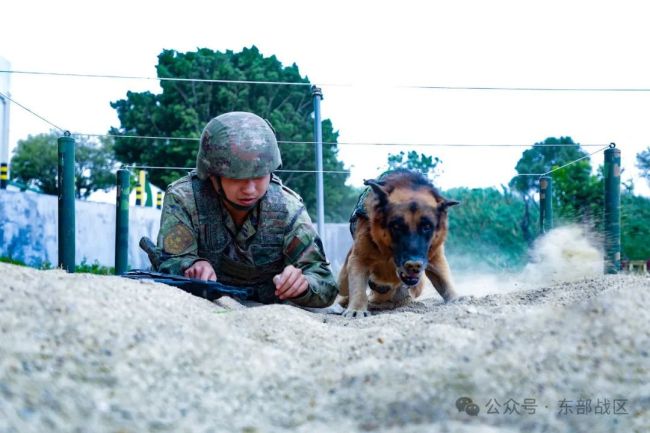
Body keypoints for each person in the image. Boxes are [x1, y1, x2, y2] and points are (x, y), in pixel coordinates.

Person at [154, 111, 338, 307]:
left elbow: (324, 282)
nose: (250, 189)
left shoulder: (288, 208)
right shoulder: (185, 199)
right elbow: (167, 261)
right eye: (237, 178)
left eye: (259, 176)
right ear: (212, 175)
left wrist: (303, 285)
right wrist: (190, 265)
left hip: (269, 314)